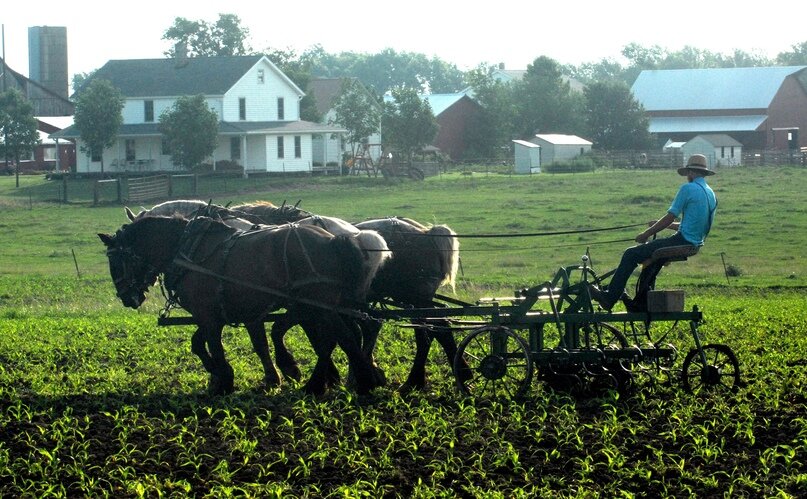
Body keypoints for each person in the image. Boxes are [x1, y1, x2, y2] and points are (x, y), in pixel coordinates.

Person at [590, 154, 717, 310]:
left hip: (683, 240)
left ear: (690, 172)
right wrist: (659, 224)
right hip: (694, 243)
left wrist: (646, 234)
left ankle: (609, 297)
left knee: (630, 254)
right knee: (652, 257)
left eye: (687, 174)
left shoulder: (688, 188)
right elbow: (693, 225)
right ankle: (640, 303)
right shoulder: (710, 193)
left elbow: (670, 217)